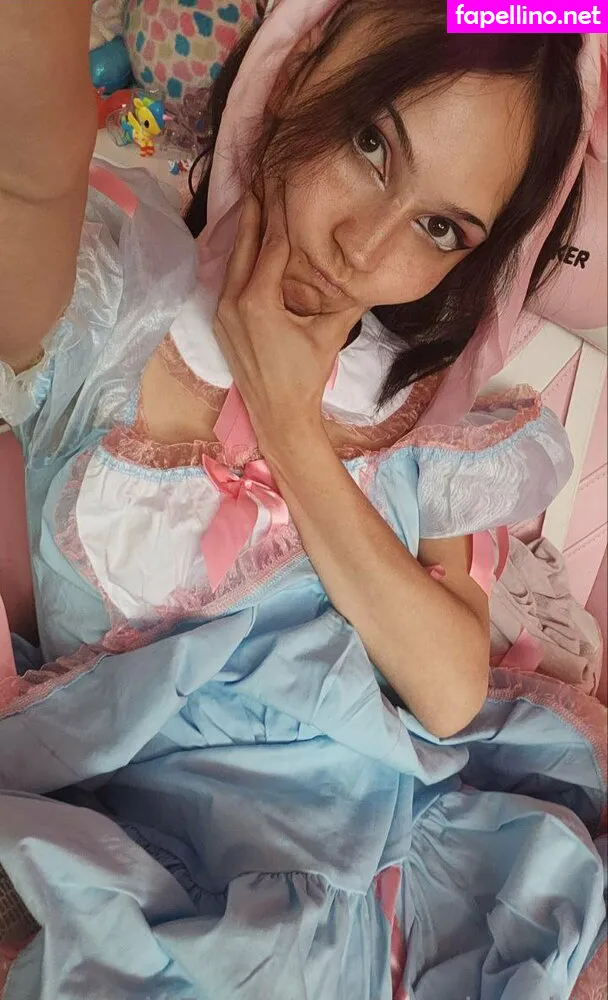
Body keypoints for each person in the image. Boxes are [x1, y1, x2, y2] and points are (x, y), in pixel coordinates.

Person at [0, 2, 605, 998]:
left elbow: (450, 691)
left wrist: (288, 421)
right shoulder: (106, 309)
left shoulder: (412, 414)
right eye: (372, 142)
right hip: (145, 883)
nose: (363, 248)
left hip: (405, 883)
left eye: (439, 227)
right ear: (297, 70)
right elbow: (27, 172)